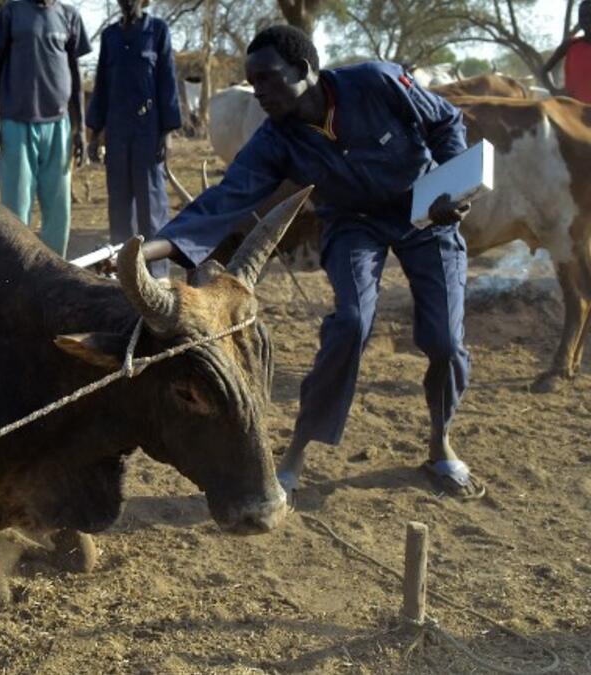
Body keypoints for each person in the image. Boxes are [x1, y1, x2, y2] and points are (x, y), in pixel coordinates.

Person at [126, 25, 485, 501]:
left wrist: (449, 185)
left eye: (269, 80)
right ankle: (297, 451)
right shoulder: (276, 139)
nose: (261, 94)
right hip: (351, 223)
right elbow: (225, 199)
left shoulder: (377, 82)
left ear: (305, 69)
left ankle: (441, 444)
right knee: (350, 324)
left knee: (443, 340)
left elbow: (446, 123)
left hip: (424, 211)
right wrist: (145, 253)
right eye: (254, 85)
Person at [0, 0, 92, 258]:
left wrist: (81, 130)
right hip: (16, 122)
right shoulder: (12, 12)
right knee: (15, 209)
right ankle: (13, 276)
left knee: (58, 210)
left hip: (59, 124)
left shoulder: (69, 16)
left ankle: (53, 274)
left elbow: (76, 77)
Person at [86, 0, 181, 279]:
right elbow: (101, 83)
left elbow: (168, 81)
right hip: (116, 130)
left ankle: (158, 274)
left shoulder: (158, 31)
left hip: (148, 129)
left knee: (151, 202)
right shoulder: (110, 36)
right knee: (119, 202)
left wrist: (167, 132)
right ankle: (124, 272)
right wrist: (95, 133)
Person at [542, 0, 591, 103]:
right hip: (573, 114)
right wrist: (554, 91)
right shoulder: (570, 45)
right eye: (583, 16)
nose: (587, 20)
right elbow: (544, 71)